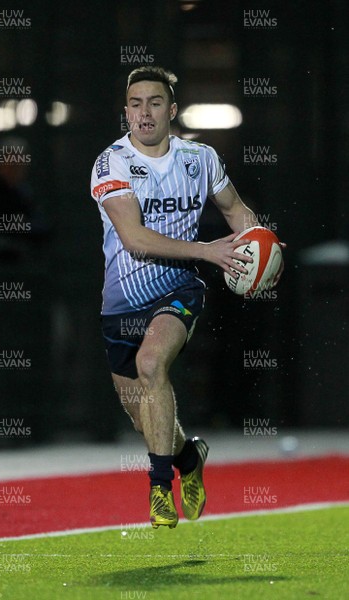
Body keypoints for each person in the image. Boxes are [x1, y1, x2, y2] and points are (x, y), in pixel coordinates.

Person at [90, 66, 283, 529]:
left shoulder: (200, 159)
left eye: (154, 102)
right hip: (121, 305)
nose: (145, 112)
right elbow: (134, 239)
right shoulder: (110, 163)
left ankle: (159, 490)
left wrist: (261, 242)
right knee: (144, 419)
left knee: (152, 365)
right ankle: (189, 458)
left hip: (179, 287)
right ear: (126, 113)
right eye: (135, 104)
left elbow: (236, 211)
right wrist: (207, 250)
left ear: (172, 110)